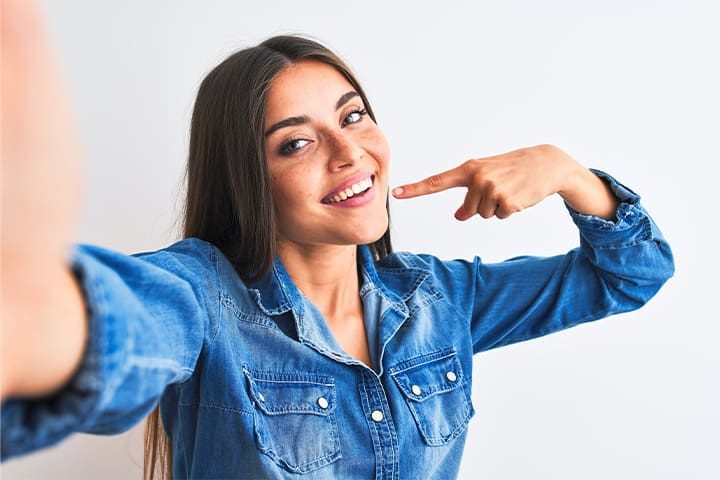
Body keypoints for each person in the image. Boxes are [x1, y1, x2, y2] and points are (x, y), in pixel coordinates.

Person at [0, 4, 674, 479]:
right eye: (296, 142)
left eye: (353, 116)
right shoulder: (199, 296)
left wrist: (568, 172)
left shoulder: (440, 299)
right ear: (247, 179)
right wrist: (30, 312)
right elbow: (110, 332)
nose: (349, 151)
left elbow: (630, 276)